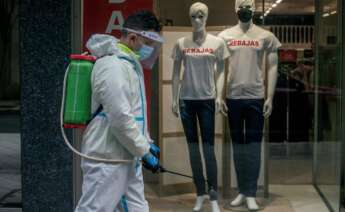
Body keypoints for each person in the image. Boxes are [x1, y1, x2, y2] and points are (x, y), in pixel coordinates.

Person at [74, 11, 163, 212]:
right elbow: (120, 118)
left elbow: (135, 113)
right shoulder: (112, 66)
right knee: (95, 209)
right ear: (132, 38)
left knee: (137, 208)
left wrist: (146, 143)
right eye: (149, 43)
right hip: (107, 158)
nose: (151, 50)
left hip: (126, 154)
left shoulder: (129, 65)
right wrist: (143, 150)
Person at [218, 0, 281, 210]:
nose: (245, 8)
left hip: (256, 97)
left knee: (253, 147)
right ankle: (242, 191)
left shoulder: (266, 36)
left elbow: (273, 67)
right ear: (235, 8)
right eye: (241, 4)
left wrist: (270, 97)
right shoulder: (225, 36)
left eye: (249, 4)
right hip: (233, 98)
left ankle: (251, 192)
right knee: (237, 147)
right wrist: (220, 96)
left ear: (254, 8)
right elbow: (219, 69)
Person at [171, 2, 229, 212]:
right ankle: (200, 193)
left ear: (207, 17)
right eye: (194, 16)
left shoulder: (217, 43)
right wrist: (173, 98)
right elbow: (176, 73)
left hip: (207, 100)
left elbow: (222, 71)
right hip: (187, 100)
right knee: (193, 150)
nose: (198, 20)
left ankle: (213, 195)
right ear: (189, 18)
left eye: (201, 15)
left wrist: (219, 96)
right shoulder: (181, 43)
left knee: (208, 149)